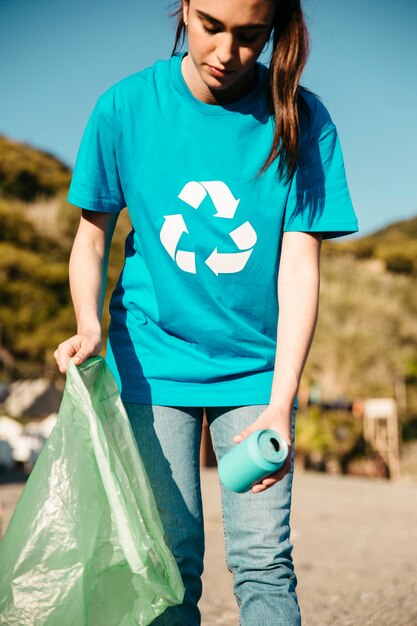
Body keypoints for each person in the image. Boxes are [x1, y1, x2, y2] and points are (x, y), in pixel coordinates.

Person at [54, 0, 358, 624]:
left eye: (251, 36)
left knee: (264, 564)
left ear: (277, 27)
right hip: (153, 363)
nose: (226, 54)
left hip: (255, 374)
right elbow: (91, 238)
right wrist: (88, 324)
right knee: (169, 569)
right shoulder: (125, 108)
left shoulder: (300, 117)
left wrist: (282, 400)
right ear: (184, 8)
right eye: (210, 27)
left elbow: (299, 269)